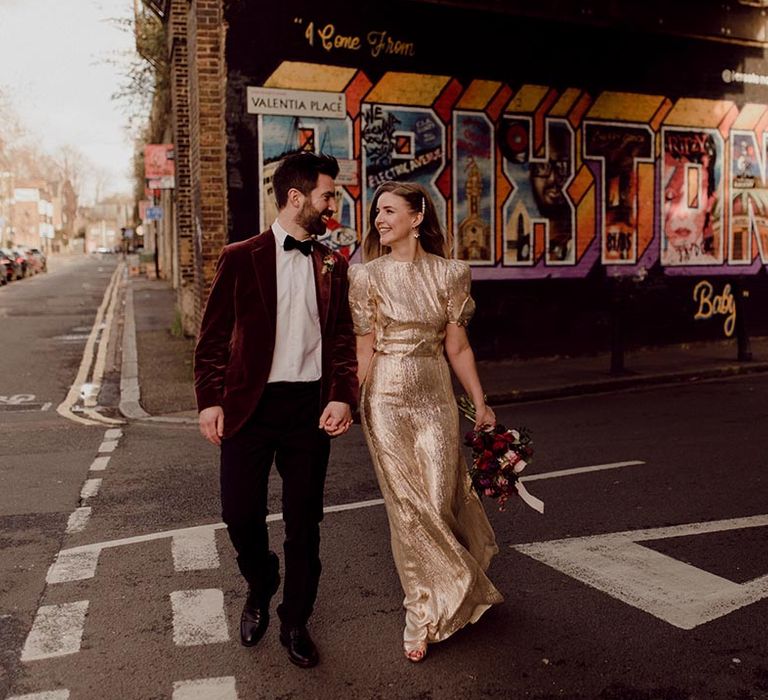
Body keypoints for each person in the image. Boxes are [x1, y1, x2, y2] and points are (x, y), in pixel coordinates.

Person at [194, 151, 358, 669]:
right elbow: (212, 339)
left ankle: (294, 619)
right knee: (239, 513)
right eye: (328, 195)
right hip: (249, 408)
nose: (334, 204)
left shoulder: (335, 263)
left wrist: (341, 393)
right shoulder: (241, 256)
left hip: (307, 409)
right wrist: (210, 402)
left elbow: (342, 340)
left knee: (303, 522)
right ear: (296, 197)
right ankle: (261, 581)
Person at [348, 181, 503, 663]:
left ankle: (456, 586)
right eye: (377, 212)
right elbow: (363, 351)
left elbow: (457, 347)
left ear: (417, 218)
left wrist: (480, 402)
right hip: (386, 397)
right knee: (408, 508)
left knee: (440, 498)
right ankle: (421, 611)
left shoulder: (452, 274)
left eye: (390, 211)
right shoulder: (364, 277)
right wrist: (348, 403)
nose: (380, 219)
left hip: (434, 393)